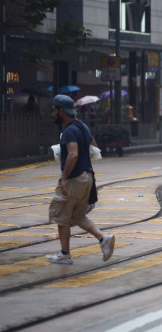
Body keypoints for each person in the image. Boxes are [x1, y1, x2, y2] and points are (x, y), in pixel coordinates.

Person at [47, 94, 115, 265]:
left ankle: (65, 254)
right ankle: (103, 238)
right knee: (78, 216)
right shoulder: (82, 126)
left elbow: (73, 154)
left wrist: (64, 178)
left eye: (54, 111)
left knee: (61, 215)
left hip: (74, 178)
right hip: (87, 177)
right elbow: (95, 148)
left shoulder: (69, 130)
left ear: (61, 111)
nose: (52, 114)